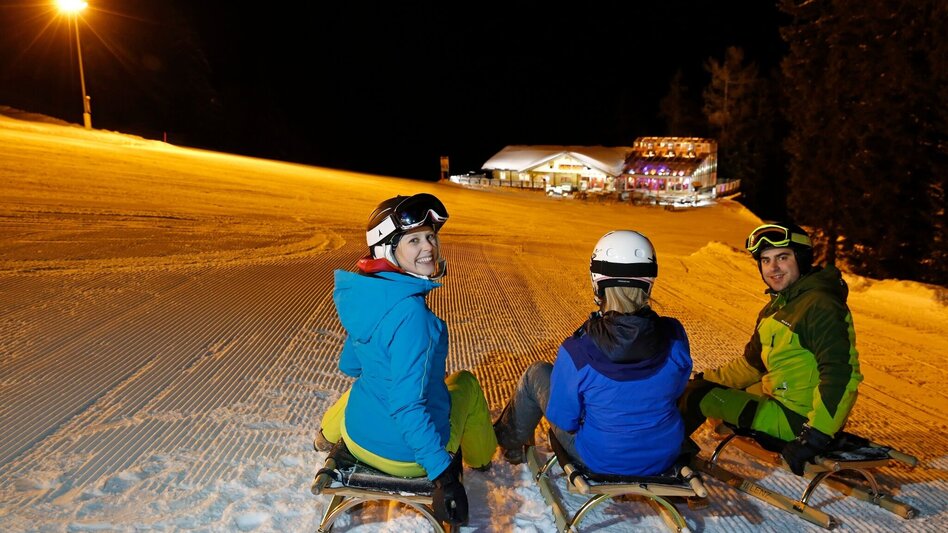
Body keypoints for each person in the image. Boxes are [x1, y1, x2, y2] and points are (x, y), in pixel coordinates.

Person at [316, 193, 497, 526]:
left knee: (371, 380)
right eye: (413, 240)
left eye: (430, 236)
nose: (428, 247)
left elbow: (351, 366)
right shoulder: (414, 317)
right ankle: (483, 457)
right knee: (466, 383)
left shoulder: (367, 294)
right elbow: (407, 405)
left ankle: (326, 434)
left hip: (357, 438)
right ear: (388, 250)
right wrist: (444, 476)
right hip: (405, 457)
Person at [493, 230, 693, 476]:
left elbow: (563, 418)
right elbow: (677, 388)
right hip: (664, 453)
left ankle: (508, 443)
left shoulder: (578, 350)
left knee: (536, 373)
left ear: (597, 281)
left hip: (602, 458)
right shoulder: (674, 336)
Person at [678, 221, 863, 476]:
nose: (773, 268)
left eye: (782, 257)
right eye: (765, 260)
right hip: (782, 404)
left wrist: (815, 436)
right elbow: (751, 365)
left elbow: (842, 374)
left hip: (798, 423)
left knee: (697, 397)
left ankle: (661, 458)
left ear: (801, 258)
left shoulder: (820, 305)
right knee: (706, 387)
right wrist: (703, 378)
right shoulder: (778, 308)